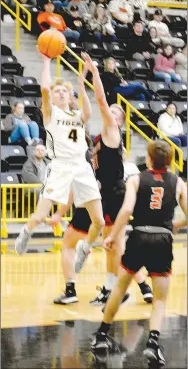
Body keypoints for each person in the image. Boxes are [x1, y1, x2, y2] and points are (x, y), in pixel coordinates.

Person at [51, 53, 152, 305]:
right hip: (100, 194)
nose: (111, 111)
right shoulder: (98, 137)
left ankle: (118, 287)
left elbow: (99, 99)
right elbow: (86, 102)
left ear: (119, 119)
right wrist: (81, 79)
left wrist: (94, 74)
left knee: (114, 244)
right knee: (111, 244)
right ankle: (127, 286)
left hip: (113, 193)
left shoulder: (111, 130)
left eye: (115, 111)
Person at [91, 140, 187, 366]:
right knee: (160, 299)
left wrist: (112, 235)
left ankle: (102, 334)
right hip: (163, 239)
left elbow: (125, 211)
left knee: (121, 286)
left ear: (150, 159)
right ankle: (153, 344)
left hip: (139, 236)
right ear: (171, 160)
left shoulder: (136, 179)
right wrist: (177, 225)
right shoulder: (178, 183)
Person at [15, 54, 104, 257]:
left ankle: (85, 246)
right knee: (40, 215)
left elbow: (88, 112)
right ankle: (26, 231)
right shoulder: (50, 113)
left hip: (81, 166)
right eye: (58, 91)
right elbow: (45, 89)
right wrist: (46, 61)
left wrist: (81, 83)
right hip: (60, 166)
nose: (62, 93)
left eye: (65, 90)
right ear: (53, 97)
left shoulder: (77, 115)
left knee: (99, 221)